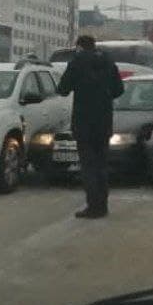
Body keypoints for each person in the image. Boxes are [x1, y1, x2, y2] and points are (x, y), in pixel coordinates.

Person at [58, 35, 124, 218]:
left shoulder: (76, 63)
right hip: (104, 121)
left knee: (88, 166)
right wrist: (103, 95)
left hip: (84, 122)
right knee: (101, 165)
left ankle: (93, 206)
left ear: (79, 47)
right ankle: (102, 205)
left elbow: (63, 89)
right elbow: (119, 90)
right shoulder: (109, 62)